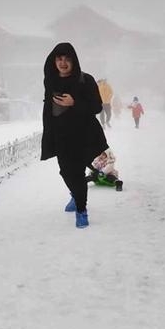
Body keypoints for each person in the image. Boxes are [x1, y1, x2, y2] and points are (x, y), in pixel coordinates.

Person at [40, 42, 108, 228]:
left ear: (74, 60)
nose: (63, 63)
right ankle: (75, 194)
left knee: (80, 173)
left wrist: (74, 102)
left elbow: (96, 107)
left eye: (67, 59)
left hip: (85, 136)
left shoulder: (85, 80)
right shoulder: (51, 81)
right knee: (66, 172)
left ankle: (81, 210)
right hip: (61, 136)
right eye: (59, 59)